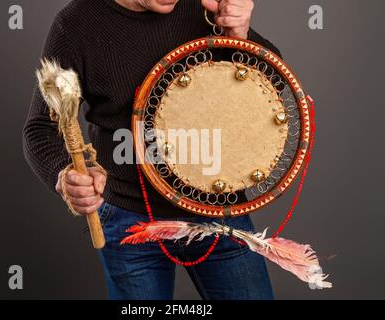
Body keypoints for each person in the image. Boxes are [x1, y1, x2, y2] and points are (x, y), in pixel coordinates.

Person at [23, 0, 281, 300]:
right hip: (128, 219)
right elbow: (40, 128)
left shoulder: (205, 7)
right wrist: (64, 173)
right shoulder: (76, 23)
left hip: (219, 210)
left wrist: (240, 35)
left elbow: (274, 87)